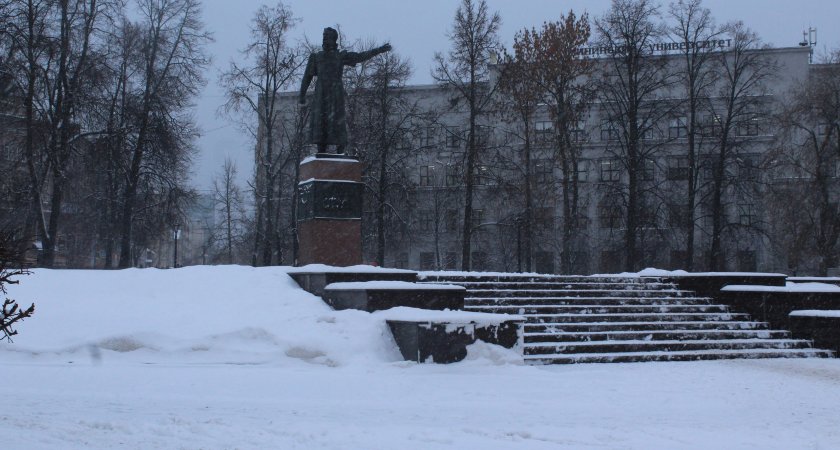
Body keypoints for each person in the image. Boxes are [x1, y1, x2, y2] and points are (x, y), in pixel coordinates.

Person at [299, 27, 391, 154]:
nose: (325, 38)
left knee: (337, 120)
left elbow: (360, 56)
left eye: (328, 36)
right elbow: (307, 77)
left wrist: (379, 50)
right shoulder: (316, 57)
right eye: (324, 36)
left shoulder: (340, 56)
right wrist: (302, 95)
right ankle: (321, 150)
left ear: (334, 39)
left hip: (336, 94)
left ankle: (340, 150)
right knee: (321, 121)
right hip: (321, 94)